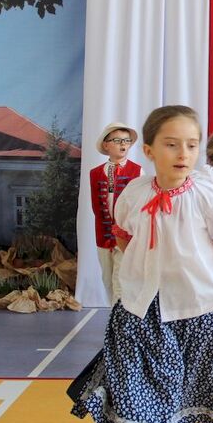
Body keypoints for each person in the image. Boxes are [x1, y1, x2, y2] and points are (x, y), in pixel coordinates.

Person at [69, 106, 213, 423]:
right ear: (148, 151)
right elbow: (122, 238)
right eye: (171, 144)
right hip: (136, 309)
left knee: (170, 394)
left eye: (192, 145)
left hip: (194, 313)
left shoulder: (207, 197)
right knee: (131, 396)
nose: (183, 153)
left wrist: (196, 284)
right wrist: (138, 280)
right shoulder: (133, 192)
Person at [90, 122, 142, 305]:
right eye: (118, 140)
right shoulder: (95, 173)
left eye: (127, 141)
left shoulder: (137, 171)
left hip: (126, 235)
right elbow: (96, 206)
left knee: (120, 281)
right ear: (106, 145)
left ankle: (119, 322)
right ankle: (114, 317)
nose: (123, 144)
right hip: (103, 235)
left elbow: (139, 206)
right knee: (107, 279)